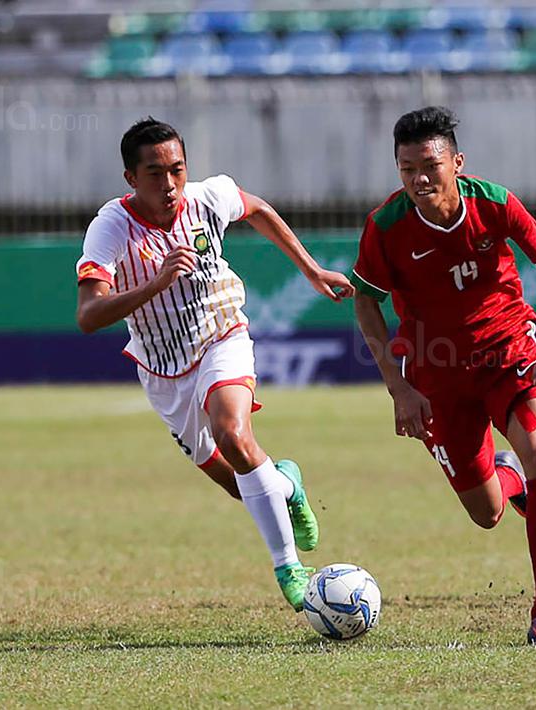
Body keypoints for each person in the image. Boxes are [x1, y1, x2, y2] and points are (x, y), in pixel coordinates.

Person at [74, 118, 354, 611]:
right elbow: (89, 315)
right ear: (130, 179)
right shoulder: (111, 227)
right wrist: (153, 285)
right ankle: (286, 481)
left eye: (177, 169)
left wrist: (310, 270)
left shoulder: (209, 197)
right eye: (155, 173)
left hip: (221, 331)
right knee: (238, 481)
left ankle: (289, 569)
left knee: (233, 433)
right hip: (163, 366)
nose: (169, 184)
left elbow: (259, 209)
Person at [351, 106, 536, 645]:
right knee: (487, 513)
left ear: (457, 162)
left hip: (508, 356)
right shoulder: (386, 226)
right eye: (407, 169)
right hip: (437, 380)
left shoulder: (494, 203)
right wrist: (400, 389)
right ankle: (508, 475)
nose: (419, 179)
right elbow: (366, 304)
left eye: (429, 165)